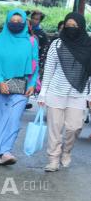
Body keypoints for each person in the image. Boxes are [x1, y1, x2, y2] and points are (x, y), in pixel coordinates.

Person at [0, 9, 38, 166]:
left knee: (13, 118)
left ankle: (5, 151)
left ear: (24, 23)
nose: (15, 24)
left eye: (19, 22)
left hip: (21, 85)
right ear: (7, 22)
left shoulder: (31, 41)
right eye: (12, 21)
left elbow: (35, 64)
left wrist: (33, 83)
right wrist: (0, 82)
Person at [38, 13, 91, 172]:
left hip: (79, 92)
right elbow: (49, 69)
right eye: (68, 26)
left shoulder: (89, 46)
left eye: (75, 26)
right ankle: (53, 159)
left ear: (81, 27)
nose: (71, 29)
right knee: (54, 128)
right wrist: (43, 92)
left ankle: (66, 151)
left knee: (74, 127)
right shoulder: (57, 44)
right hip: (55, 91)